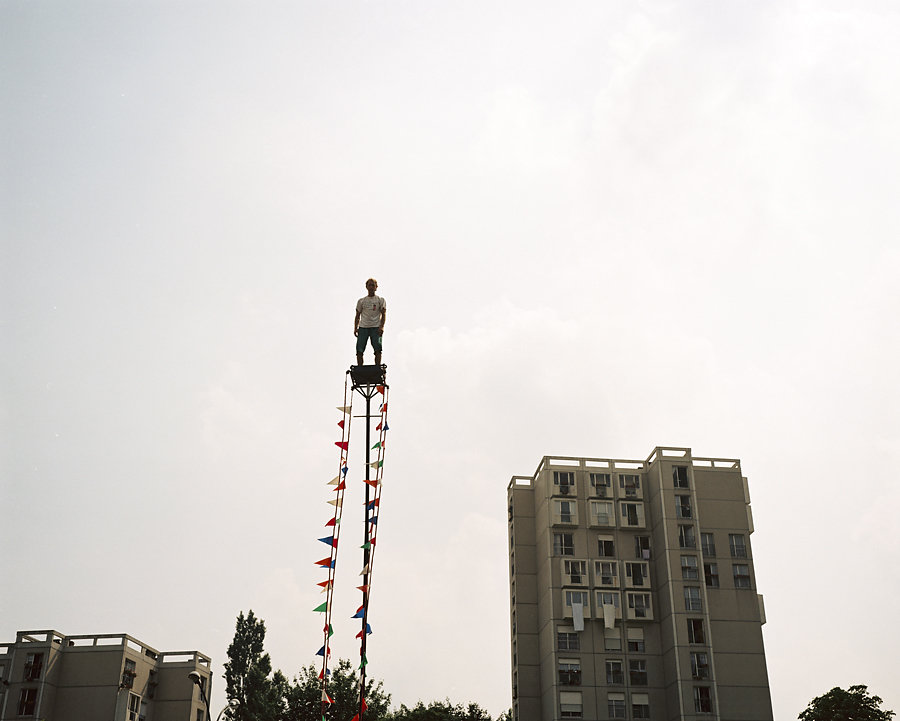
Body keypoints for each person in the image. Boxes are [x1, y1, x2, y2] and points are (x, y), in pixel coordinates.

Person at [354, 278, 386, 366]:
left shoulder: (380, 300)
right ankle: (360, 367)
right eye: (369, 285)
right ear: (366, 287)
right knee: (359, 349)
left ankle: (377, 367)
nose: (371, 287)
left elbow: (383, 314)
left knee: (378, 348)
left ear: (376, 287)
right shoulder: (361, 301)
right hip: (363, 327)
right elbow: (357, 316)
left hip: (375, 327)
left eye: (373, 285)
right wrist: (355, 328)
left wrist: (382, 327)